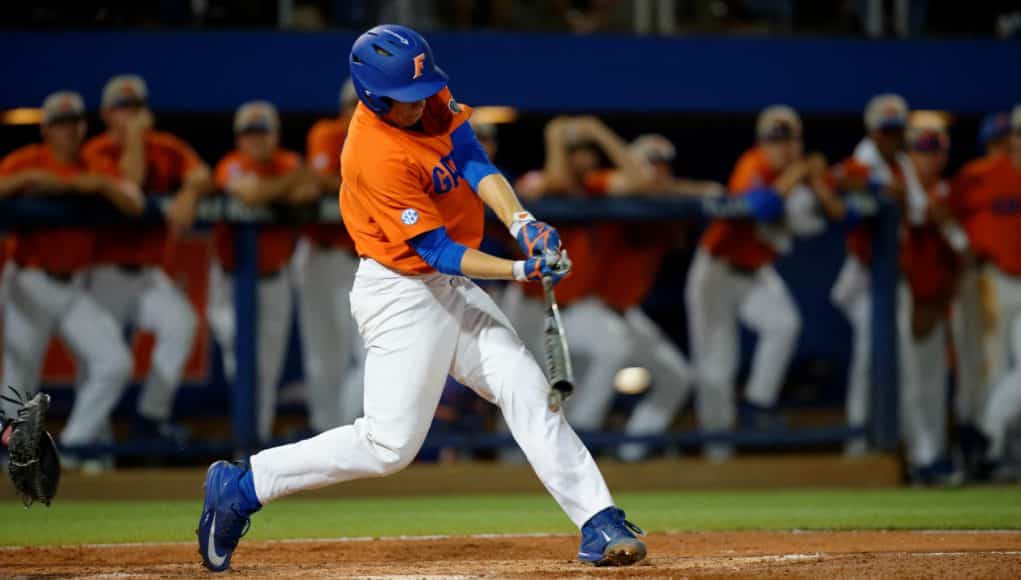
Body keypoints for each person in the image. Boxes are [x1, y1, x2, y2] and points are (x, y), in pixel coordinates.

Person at [197, 25, 646, 571]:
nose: (418, 105)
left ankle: (599, 520)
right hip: (401, 292)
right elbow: (438, 250)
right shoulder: (371, 153)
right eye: (403, 100)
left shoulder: (427, 97)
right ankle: (243, 485)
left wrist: (523, 221)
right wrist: (518, 267)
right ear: (370, 95)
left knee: (526, 387)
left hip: (448, 286)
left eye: (420, 92)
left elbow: (473, 157)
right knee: (389, 446)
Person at [0, 91, 143, 453]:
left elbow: (135, 202)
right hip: (29, 280)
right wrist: (28, 179)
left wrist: (91, 184)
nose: (68, 131)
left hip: (73, 286)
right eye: (59, 124)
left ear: (83, 127)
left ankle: (75, 447)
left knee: (115, 362)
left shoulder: (94, 164)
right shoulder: (26, 160)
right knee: (18, 381)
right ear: (45, 130)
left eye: (73, 123)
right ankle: (13, 462)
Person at [81, 74, 210, 442]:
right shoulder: (95, 152)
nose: (131, 115)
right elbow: (131, 183)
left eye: (136, 107)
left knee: (181, 322)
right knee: (99, 365)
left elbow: (202, 173)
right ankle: (90, 443)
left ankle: (150, 416)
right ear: (106, 114)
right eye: (122, 108)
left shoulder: (164, 146)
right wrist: (136, 137)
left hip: (148, 274)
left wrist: (189, 191)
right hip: (103, 271)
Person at [685, 105, 808, 460]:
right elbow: (763, 206)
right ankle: (718, 455)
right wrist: (798, 174)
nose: (781, 148)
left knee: (785, 324)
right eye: (773, 140)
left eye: (788, 141)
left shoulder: (800, 176)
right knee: (717, 367)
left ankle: (758, 402)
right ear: (761, 143)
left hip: (755, 273)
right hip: (717, 271)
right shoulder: (753, 165)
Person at [208, 100, 318, 443]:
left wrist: (283, 187)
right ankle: (245, 436)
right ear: (239, 139)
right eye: (249, 134)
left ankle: (255, 444)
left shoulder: (286, 162)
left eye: (263, 133)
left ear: (275, 136)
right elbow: (250, 194)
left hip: (275, 279)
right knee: (240, 362)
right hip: (231, 280)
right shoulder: (231, 165)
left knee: (267, 369)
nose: (256, 141)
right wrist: (287, 187)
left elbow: (310, 189)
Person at [829, 94, 928, 456]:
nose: (893, 137)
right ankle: (859, 448)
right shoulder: (861, 161)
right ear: (873, 131)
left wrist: (890, 192)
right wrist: (871, 187)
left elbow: (917, 212)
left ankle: (912, 452)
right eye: (887, 131)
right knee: (869, 361)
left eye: (898, 130)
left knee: (899, 365)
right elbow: (837, 181)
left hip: (890, 276)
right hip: (864, 276)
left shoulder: (903, 163)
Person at [950, 104, 1021, 480]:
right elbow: (945, 213)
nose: (1008, 144)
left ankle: (990, 442)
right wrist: (963, 249)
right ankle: (985, 454)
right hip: (992, 280)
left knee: (1013, 373)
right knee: (988, 369)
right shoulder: (978, 176)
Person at [294, 79, 364, 432]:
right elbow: (319, 180)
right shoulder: (328, 133)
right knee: (324, 360)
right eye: (354, 103)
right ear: (342, 110)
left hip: (363, 261)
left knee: (370, 356)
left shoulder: (387, 139)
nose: (360, 110)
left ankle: (350, 435)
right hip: (323, 258)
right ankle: (326, 437)